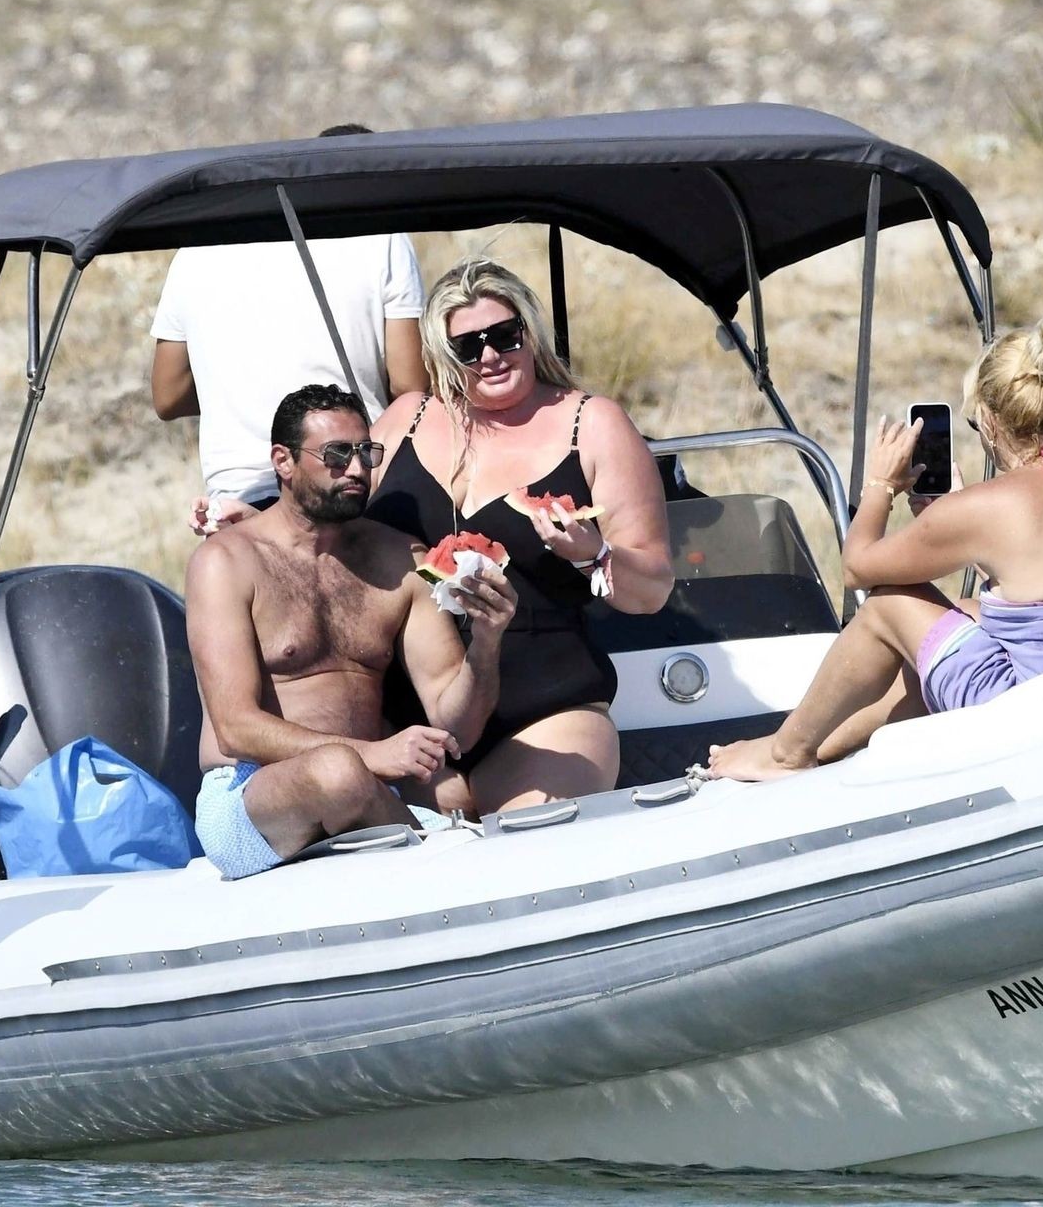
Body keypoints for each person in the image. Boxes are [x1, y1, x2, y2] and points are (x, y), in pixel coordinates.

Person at [707, 320, 1043, 780]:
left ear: (990, 421)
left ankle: (787, 753)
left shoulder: (989, 506)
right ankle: (831, 744)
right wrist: (964, 522)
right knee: (965, 612)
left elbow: (857, 568)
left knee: (891, 603)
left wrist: (881, 485)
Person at [367, 258, 675, 814]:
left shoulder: (592, 423)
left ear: (529, 333)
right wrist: (258, 523)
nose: (489, 356)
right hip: (409, 718)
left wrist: (595, 555)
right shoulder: (406, 417)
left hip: (546, 711)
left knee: (531, 847)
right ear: (442, 354)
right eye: (467, 347)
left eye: (505, 335)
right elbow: (334, 524)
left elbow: (652, 589)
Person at [186, 383, 517, 879]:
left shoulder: (400, 559)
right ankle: (446, 874)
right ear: (283, 461)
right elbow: (235, 729)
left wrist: (487, 643)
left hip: (368, 786)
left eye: (366, 452)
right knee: (337, 772)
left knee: (452, 792)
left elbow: (457, 729)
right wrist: (376, 755)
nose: (358, 469)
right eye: (337, 455)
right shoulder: (226, 561)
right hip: (248, 795)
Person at [150, 123, 428, 529]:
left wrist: (240, 389)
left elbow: (168, 396)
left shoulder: (198, 248)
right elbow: (409, 386)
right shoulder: (382, 234)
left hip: (237, 499)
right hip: (346, 484)